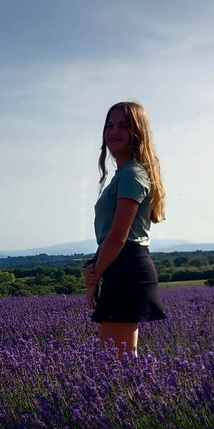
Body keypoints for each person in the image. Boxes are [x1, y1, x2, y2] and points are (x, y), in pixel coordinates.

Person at [83, 101, 168, 356]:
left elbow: (118, 237)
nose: (113, 132)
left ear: (137, 132)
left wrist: (93, 278)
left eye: (123, 125)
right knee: (119, 362)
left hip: (126, 266)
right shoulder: (125, 174)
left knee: (117, 364)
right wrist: (95, 268)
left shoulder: (132, 175)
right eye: (109, 125)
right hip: (120, 265)